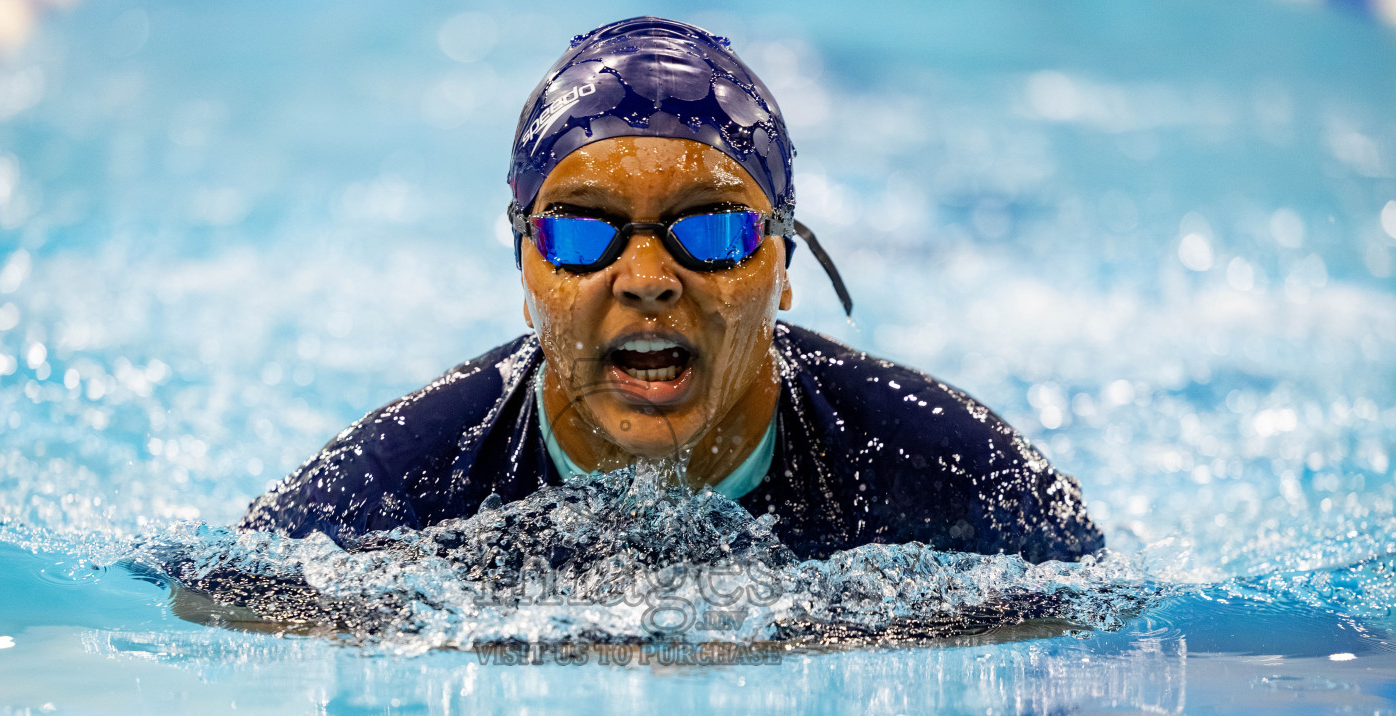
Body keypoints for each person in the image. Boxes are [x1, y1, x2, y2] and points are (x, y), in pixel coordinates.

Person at [243, 16, 1102, 563]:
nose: (649, 282)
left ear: (783, 268)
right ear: (526, 273)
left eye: (713, 231)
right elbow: (219, 600)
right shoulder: (398, 484)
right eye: (581, 233)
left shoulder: (950, 469)